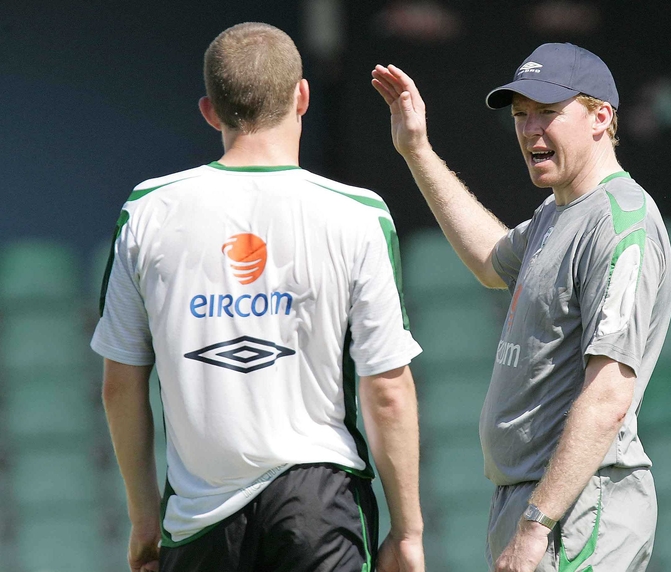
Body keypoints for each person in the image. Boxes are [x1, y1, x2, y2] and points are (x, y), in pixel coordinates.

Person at [92, 22, 425, 572]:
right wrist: (408, 532)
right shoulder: (358, 213)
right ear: (302, 96)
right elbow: (387, 388)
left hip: (199, 517)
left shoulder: (148, 210)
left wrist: (145, 520)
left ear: (210, 111)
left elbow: (118, 384)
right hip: (321, 503)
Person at [372, 42, 671, 572]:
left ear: (601, 117)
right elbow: (491, 261)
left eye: (548, 113)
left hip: (576, 510)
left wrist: (536, 526)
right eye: (520, 114)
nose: (530, 129)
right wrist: (416, 151)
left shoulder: (621, 223)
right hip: (542, 504)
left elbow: (608, 397)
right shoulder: (561, 211)